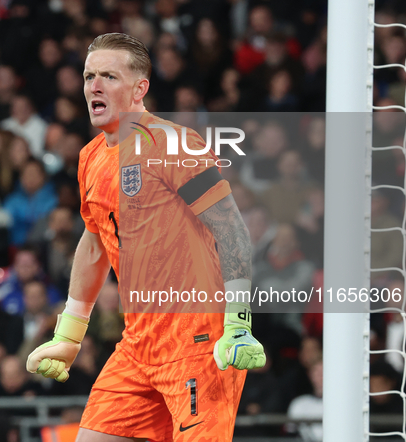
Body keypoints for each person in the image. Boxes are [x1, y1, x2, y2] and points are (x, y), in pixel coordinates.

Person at [26, 33, 265, 442]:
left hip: (199, 341)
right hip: (138, 343)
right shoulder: (90, 158)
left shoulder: (172, 143)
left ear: (140, 89)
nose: (93, 86)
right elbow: (95, 243)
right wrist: (69, 333)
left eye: (108, 76)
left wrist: (238, 321)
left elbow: (232, 230)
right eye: (88, 76)